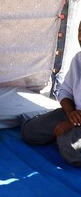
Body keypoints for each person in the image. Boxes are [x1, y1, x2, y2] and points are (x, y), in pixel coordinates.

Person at [22, 21, 81, 167]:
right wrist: (70, 113)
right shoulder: (78, 59)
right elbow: (65, 90)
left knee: (70, 148)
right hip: (73, 113)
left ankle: (63, 139)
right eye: (80, 31)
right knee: (30, 131)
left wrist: (73, 123)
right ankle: (62, 137)